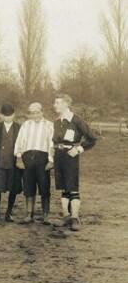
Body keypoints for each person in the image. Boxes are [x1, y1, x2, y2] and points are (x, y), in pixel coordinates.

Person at [52, 94, 96, 231]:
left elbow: (92, 138)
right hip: (59, 156)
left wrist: (79, 149)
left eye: (57, 103)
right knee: (64, 187)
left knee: (72, 186)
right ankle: (66, 216)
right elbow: (55, 141)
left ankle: (75, 217)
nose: (55, 105)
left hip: (71, 157)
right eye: (55, 102)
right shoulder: (56, 121)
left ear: (66, 104)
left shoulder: (77, 120)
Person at [14, 102, 54, 225]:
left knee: (44, 186)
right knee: (28, 186)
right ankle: (29, 214)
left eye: (37, 112)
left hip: (42, 158)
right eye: (32, 113)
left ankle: (45, 215)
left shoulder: (49, 125)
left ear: (42, 112)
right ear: (29, 114)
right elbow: (19, 141)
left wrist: (51, 160)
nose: (35, 115)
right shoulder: (26, 125)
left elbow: (52, 144)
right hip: (27, 158)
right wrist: (19, 158)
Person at [0, 104, 22, 222]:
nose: (8, 117)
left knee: (13, 187)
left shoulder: (19, 128)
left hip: (13, 163)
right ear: (1, 115)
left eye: (10, 115)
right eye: (5, 115)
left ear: (14, 114)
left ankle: (9, 211)